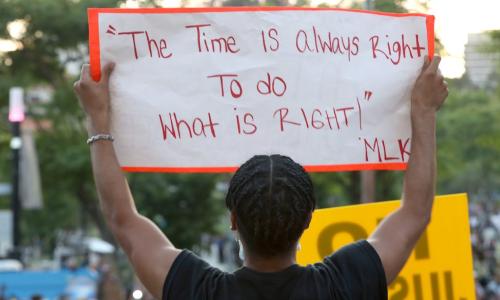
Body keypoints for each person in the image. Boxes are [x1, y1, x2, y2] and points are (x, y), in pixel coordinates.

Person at [74, 55, 448, 300]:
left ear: (233, 220)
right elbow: (415, 212)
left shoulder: (198, 291)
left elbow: (123, 219)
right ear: (307, 221)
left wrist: (98, 120)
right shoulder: (344, 285)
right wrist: (423, 111)